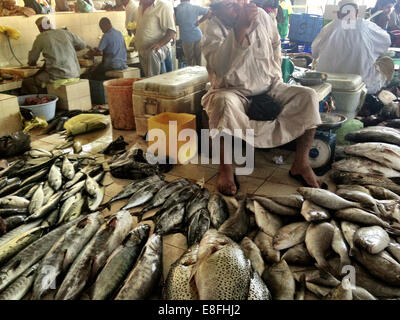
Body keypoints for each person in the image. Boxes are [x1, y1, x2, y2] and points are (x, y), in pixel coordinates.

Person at [201, 0, 323, 196]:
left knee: (308, 96)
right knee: (221, 103)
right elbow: (221, 67)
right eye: (230, 5)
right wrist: (240, 28)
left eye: (241, 2)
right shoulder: (212, 28)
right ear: (216, 8)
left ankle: (301, 163)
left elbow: (275, 46)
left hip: (269, 85)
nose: (239, 8)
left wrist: (276, 77)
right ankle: (225, 168)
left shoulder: (263, 17)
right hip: (233, 91)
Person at [312, 0, 394, 95]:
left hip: (327, 85)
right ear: (357, 13)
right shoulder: (367, 26)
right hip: (360, 87)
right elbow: (386, 42)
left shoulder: (327, 28)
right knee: (386, 61)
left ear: (338, 14)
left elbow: (314, 53)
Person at [22, 16, 86, 94]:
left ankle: (42, 101)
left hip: (57, 76)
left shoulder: (41, 38)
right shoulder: (65, 32)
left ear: (40, 27)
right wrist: (69, 49)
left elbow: (32, 59)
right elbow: (83, 45)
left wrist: (32, 63)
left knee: (28, 82)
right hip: (74, 73)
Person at [135, 0, 176, 77]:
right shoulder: (140, 7)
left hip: (157, 49)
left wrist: (159, 44)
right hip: (143, 50)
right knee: (149, 78)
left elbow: (171, 31)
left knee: (155, 78)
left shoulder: (163, 6)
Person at [175, 0, 211, 66]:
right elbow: (209, 12)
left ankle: (193, 75)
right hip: (198, 36)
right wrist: (199, 21)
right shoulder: (195, 7)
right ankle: (199, 74)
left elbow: (175, 22)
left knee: (190, 61)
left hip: (186, 38)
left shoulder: (176, 9)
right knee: (198, 60)